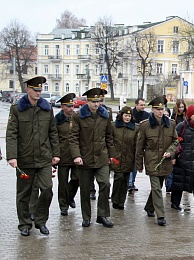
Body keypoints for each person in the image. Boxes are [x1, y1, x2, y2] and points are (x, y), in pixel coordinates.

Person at [6, 76, 60, 236]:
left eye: (40, 90)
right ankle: (24, 223)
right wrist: (12, 156)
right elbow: (11, 134)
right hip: (24, 158)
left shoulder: (46, 108)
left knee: (47, 189)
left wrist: (56, 153)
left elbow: (53, 132)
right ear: (27, 90)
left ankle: (40, 220)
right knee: (24, 193)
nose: (38, 93)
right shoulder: (17, 109)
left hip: (44, 158)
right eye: (35, 90)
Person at [69, 88, 116, 228]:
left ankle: (103, 215)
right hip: (85, 158)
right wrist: (76, 155)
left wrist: (111, 155)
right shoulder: (78, 116)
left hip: (101, 157)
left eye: (98, 101)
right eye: (93, 101)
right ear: (87, 101)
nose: (96, 104)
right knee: (84, 189)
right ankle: (86, 217)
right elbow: (73, 138)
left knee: (105, 184)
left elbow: (109, 136)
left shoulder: (105, 115)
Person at [137, 97, 178, 226]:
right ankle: (160, 215)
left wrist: (170, 152)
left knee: (158, 186)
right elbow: (139, 146)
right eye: (157, 109)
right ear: (152, 110)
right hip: (152, 161)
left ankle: (149, 207)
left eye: (162, 109)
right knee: (156, 188)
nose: (160, 112)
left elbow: (175, 141)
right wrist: (139, 164)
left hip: (165, 161)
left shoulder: (170, 124)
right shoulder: (145, 125)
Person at [55, 93, 80, 216]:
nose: (72, 108)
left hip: (76, 155)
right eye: (69, 106)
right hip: (62, 155)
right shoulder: (57, 120)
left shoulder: (76, 118)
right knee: (63, 183)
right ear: (62, 107)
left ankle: (70, 196)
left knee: (77, 179)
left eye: (72, 105)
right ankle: (63, 205)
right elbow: (53, 138)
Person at [111, 106, 139, 210]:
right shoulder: (114, 126)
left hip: (129, 158)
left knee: (125, 180)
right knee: (118, 178)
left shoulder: (135, 128)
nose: (127, 118)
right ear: (121, 115)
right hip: (117, 157)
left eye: (129, 116)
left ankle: (121, 202)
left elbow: (137, 144)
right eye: (125, 115)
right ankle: (115, 199)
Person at [129, 98, 150, 192]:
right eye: (141, 105)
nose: (143, 107)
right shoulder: (131, 114)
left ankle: (131, 182)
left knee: (136, 163)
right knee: (130, 163)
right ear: (136, 105)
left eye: (144, 105)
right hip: (130, 142)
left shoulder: (146, 115)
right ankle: (129, 183)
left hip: (141, 142)